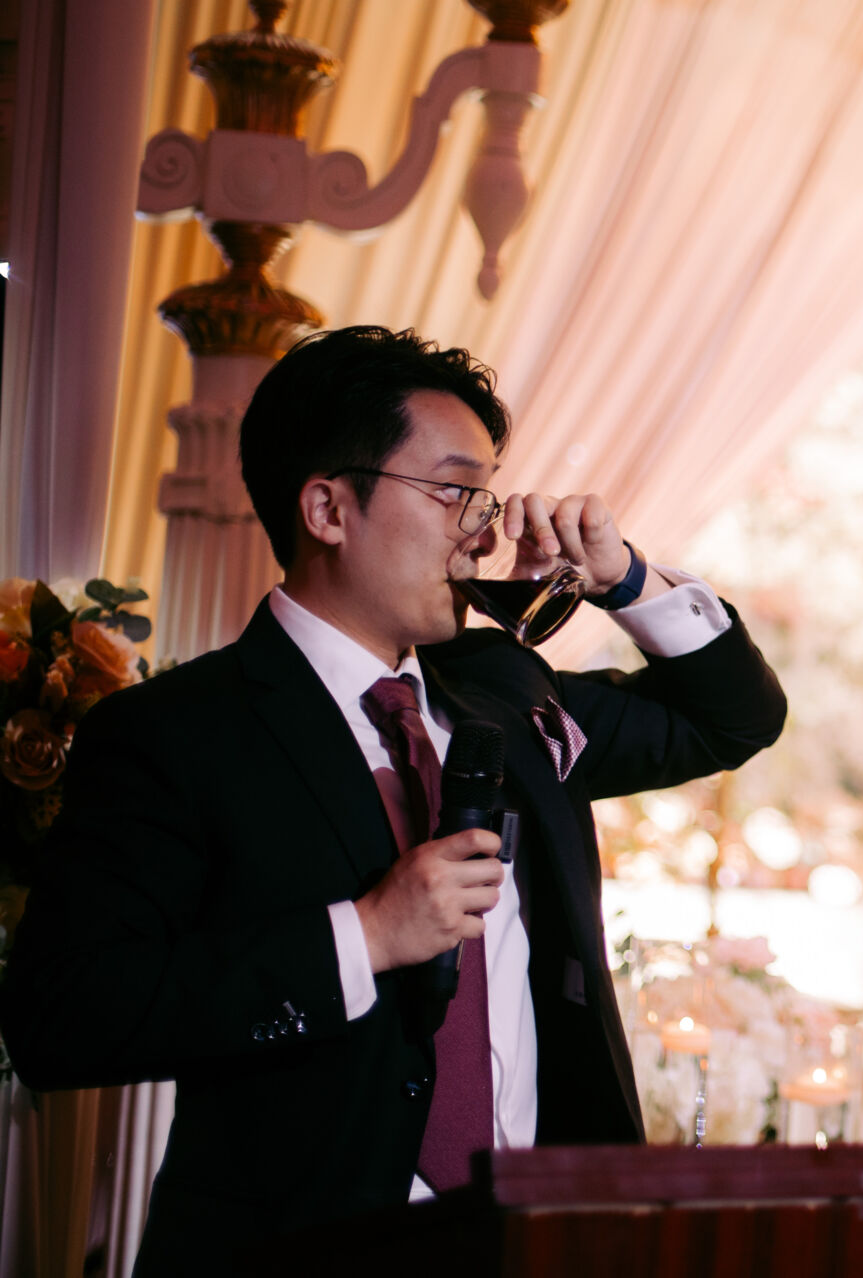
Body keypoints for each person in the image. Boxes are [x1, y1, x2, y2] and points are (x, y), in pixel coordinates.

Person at [0, 327, 787, 1274]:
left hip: (542, 1243)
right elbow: (62, 1020)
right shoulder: (172, 732)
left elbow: (732, 720)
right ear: (328, 509)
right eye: (455, 492)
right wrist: (364, 936)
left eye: (487, 498)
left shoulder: (507, 688)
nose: (484, 532)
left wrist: (624, 578)